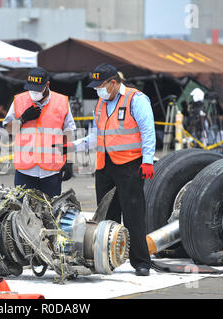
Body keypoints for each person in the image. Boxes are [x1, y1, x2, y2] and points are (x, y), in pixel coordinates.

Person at [70, 63, 156, 276]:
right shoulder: (100, 103)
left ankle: (141, 262)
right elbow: (95, 136)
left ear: (114, 83)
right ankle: (108, 258)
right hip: (105, 165)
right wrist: (72, 146)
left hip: (130, 164)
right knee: (106, 214)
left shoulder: (136, 99)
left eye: (101, 86)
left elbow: (148, 131)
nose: (97, 90)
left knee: (133, 214)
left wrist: (147, 161)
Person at [3, 67, 76, 198]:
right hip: (25, 170)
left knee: (50, 212)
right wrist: (22, 119)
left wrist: (69, 161)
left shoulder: (61, 102)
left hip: (51, 170)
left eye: (37, 89)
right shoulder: (19, 100)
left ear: (47, 85)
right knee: (24, 213)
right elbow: (8, 129)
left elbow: (68, 133)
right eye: (31, 88)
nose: (33, 92)